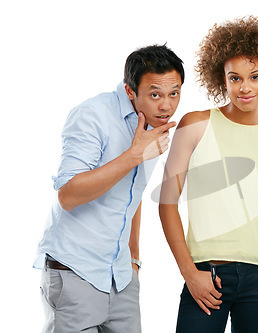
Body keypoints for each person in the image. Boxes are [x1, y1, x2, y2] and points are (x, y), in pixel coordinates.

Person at [159, 16, 258, 333]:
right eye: (235, 78)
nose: (244, 87)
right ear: (222, 78)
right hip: (209, 275)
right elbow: (167, 204)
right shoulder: (195, 125)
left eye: (254, 77)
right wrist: (189, 273)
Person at [33, 44, 184, 332]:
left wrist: (134, 259)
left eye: (174, 93)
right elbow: (68, 195)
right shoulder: (93, 115)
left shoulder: (153, 123)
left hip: (121, 277)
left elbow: (133, 193)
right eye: (155, 94)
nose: (166, 105)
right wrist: (134, 155)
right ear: (130, 91)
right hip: (75, 273)